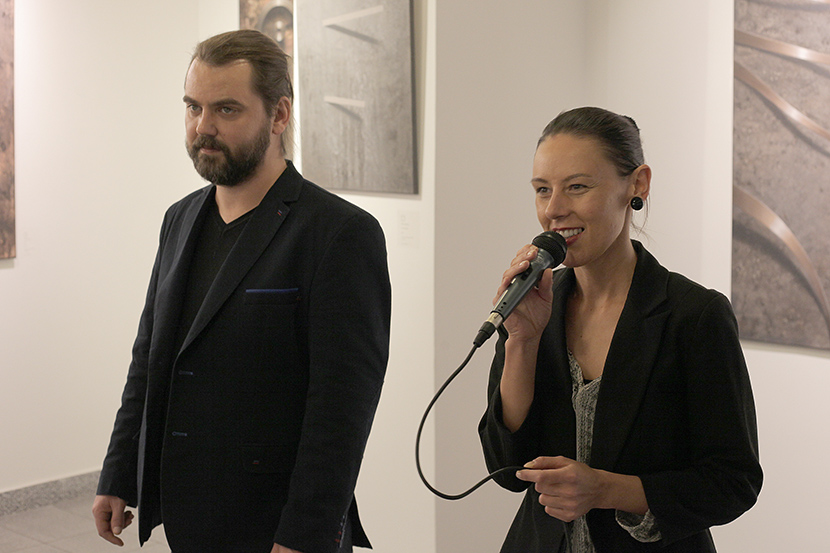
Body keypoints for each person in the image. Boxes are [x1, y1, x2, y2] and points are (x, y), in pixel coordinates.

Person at [92, 29, 391, 553]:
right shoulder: (180, 219)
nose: (202, 127)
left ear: (279, 115)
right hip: (191, 516)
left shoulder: (339, 233)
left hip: (278, 526)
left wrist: (303, 536)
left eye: (226, 109)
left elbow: (341, 412)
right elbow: (148, 359)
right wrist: (119, 472)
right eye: (193, 107)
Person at [479, 107, 762, 553]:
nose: (553, 210)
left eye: (577, 187)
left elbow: (733, 482)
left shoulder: (694, 315)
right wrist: (522, 342)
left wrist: (605, 489)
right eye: (542, 190)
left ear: (638, 184)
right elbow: (506, 468)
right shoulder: (533, 307)